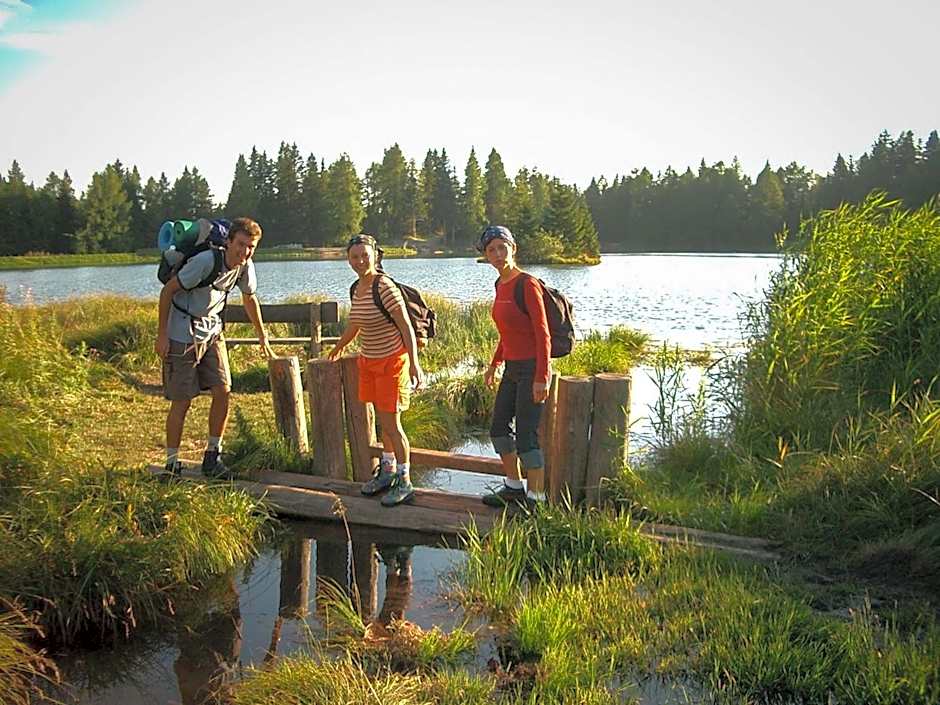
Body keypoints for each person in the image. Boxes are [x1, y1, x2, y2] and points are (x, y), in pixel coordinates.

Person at [155, 217, 274, 480]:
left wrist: (262, 336)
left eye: (251, 247)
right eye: (241, 244)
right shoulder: (206, 262)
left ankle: (212, 456)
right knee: (182, 401)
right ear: (229, 241)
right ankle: (172, 465)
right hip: (181, 333)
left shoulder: (245, 267)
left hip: (212, 332)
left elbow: (249, 298)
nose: (245, 251)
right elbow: (168, 292)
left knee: (223, 390)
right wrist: (162, 336)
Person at [328, 234, 424, 506]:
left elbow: (405, 325)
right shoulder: (356, 288)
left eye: (364, 256)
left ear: (375, 256)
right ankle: (388, 471)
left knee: (393, 424)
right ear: (348, 259)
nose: (360, 261)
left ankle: (405, 481)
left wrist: (415, 363)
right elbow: (355, 324)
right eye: (354, 257)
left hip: (392, 361)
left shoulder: (385, 287)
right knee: (384, 421)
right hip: (368, 361)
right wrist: (338, 347)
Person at [479, 225, 551, 508]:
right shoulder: (500, 284)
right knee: (498, 429)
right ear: (486, 256)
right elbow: (508, 332)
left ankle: (537, 501)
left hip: (532, 368)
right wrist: (494, 363)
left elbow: (542, 333)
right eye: (491, 250)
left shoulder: (527, 284)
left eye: (501, 247)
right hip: (511, 368)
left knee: (526, 437)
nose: (497, 254)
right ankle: (513, 487)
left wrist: (542, 377)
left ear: (513, 248)